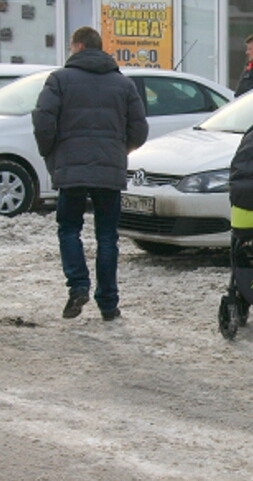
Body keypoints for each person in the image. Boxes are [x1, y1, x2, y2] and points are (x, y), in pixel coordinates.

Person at [32, 26, 148, 321]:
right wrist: (118, 150)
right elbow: (140, 130)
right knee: (107, 236)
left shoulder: (59, 80)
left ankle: (78, 285)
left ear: (80, 47)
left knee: (69, 228)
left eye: (72, 46)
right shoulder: (123, 84)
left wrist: (53, 152)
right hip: (109, 170)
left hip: (71, 167)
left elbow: (43, 120)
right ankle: (108, 304)